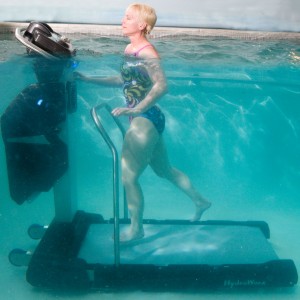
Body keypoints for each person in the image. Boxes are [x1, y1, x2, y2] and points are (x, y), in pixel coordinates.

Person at [76, 3, 211, 242]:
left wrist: (137, 108)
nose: (122, 21)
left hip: (144, 118)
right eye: (123, 17)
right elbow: (123, 80)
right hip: (149, 118)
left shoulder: (148, 52)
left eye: (128, 18)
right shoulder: (130, 48)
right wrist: (89, 79)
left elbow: (162, 85)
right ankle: (200, 201)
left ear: (142, 25)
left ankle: (136, 230)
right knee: (164, 170)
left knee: (128, 177)